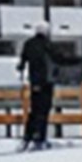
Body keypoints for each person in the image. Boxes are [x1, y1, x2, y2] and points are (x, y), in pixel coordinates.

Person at [17, 22, 55, 151]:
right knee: (43, 110)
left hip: (34, 82)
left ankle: (27, 137)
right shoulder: (47, 45)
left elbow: (23, 60)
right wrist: (79, 61)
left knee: (34, 110)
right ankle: (39, 138)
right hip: (46, 82)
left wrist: (21, 68)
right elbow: (58, 59)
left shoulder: (29, 44)